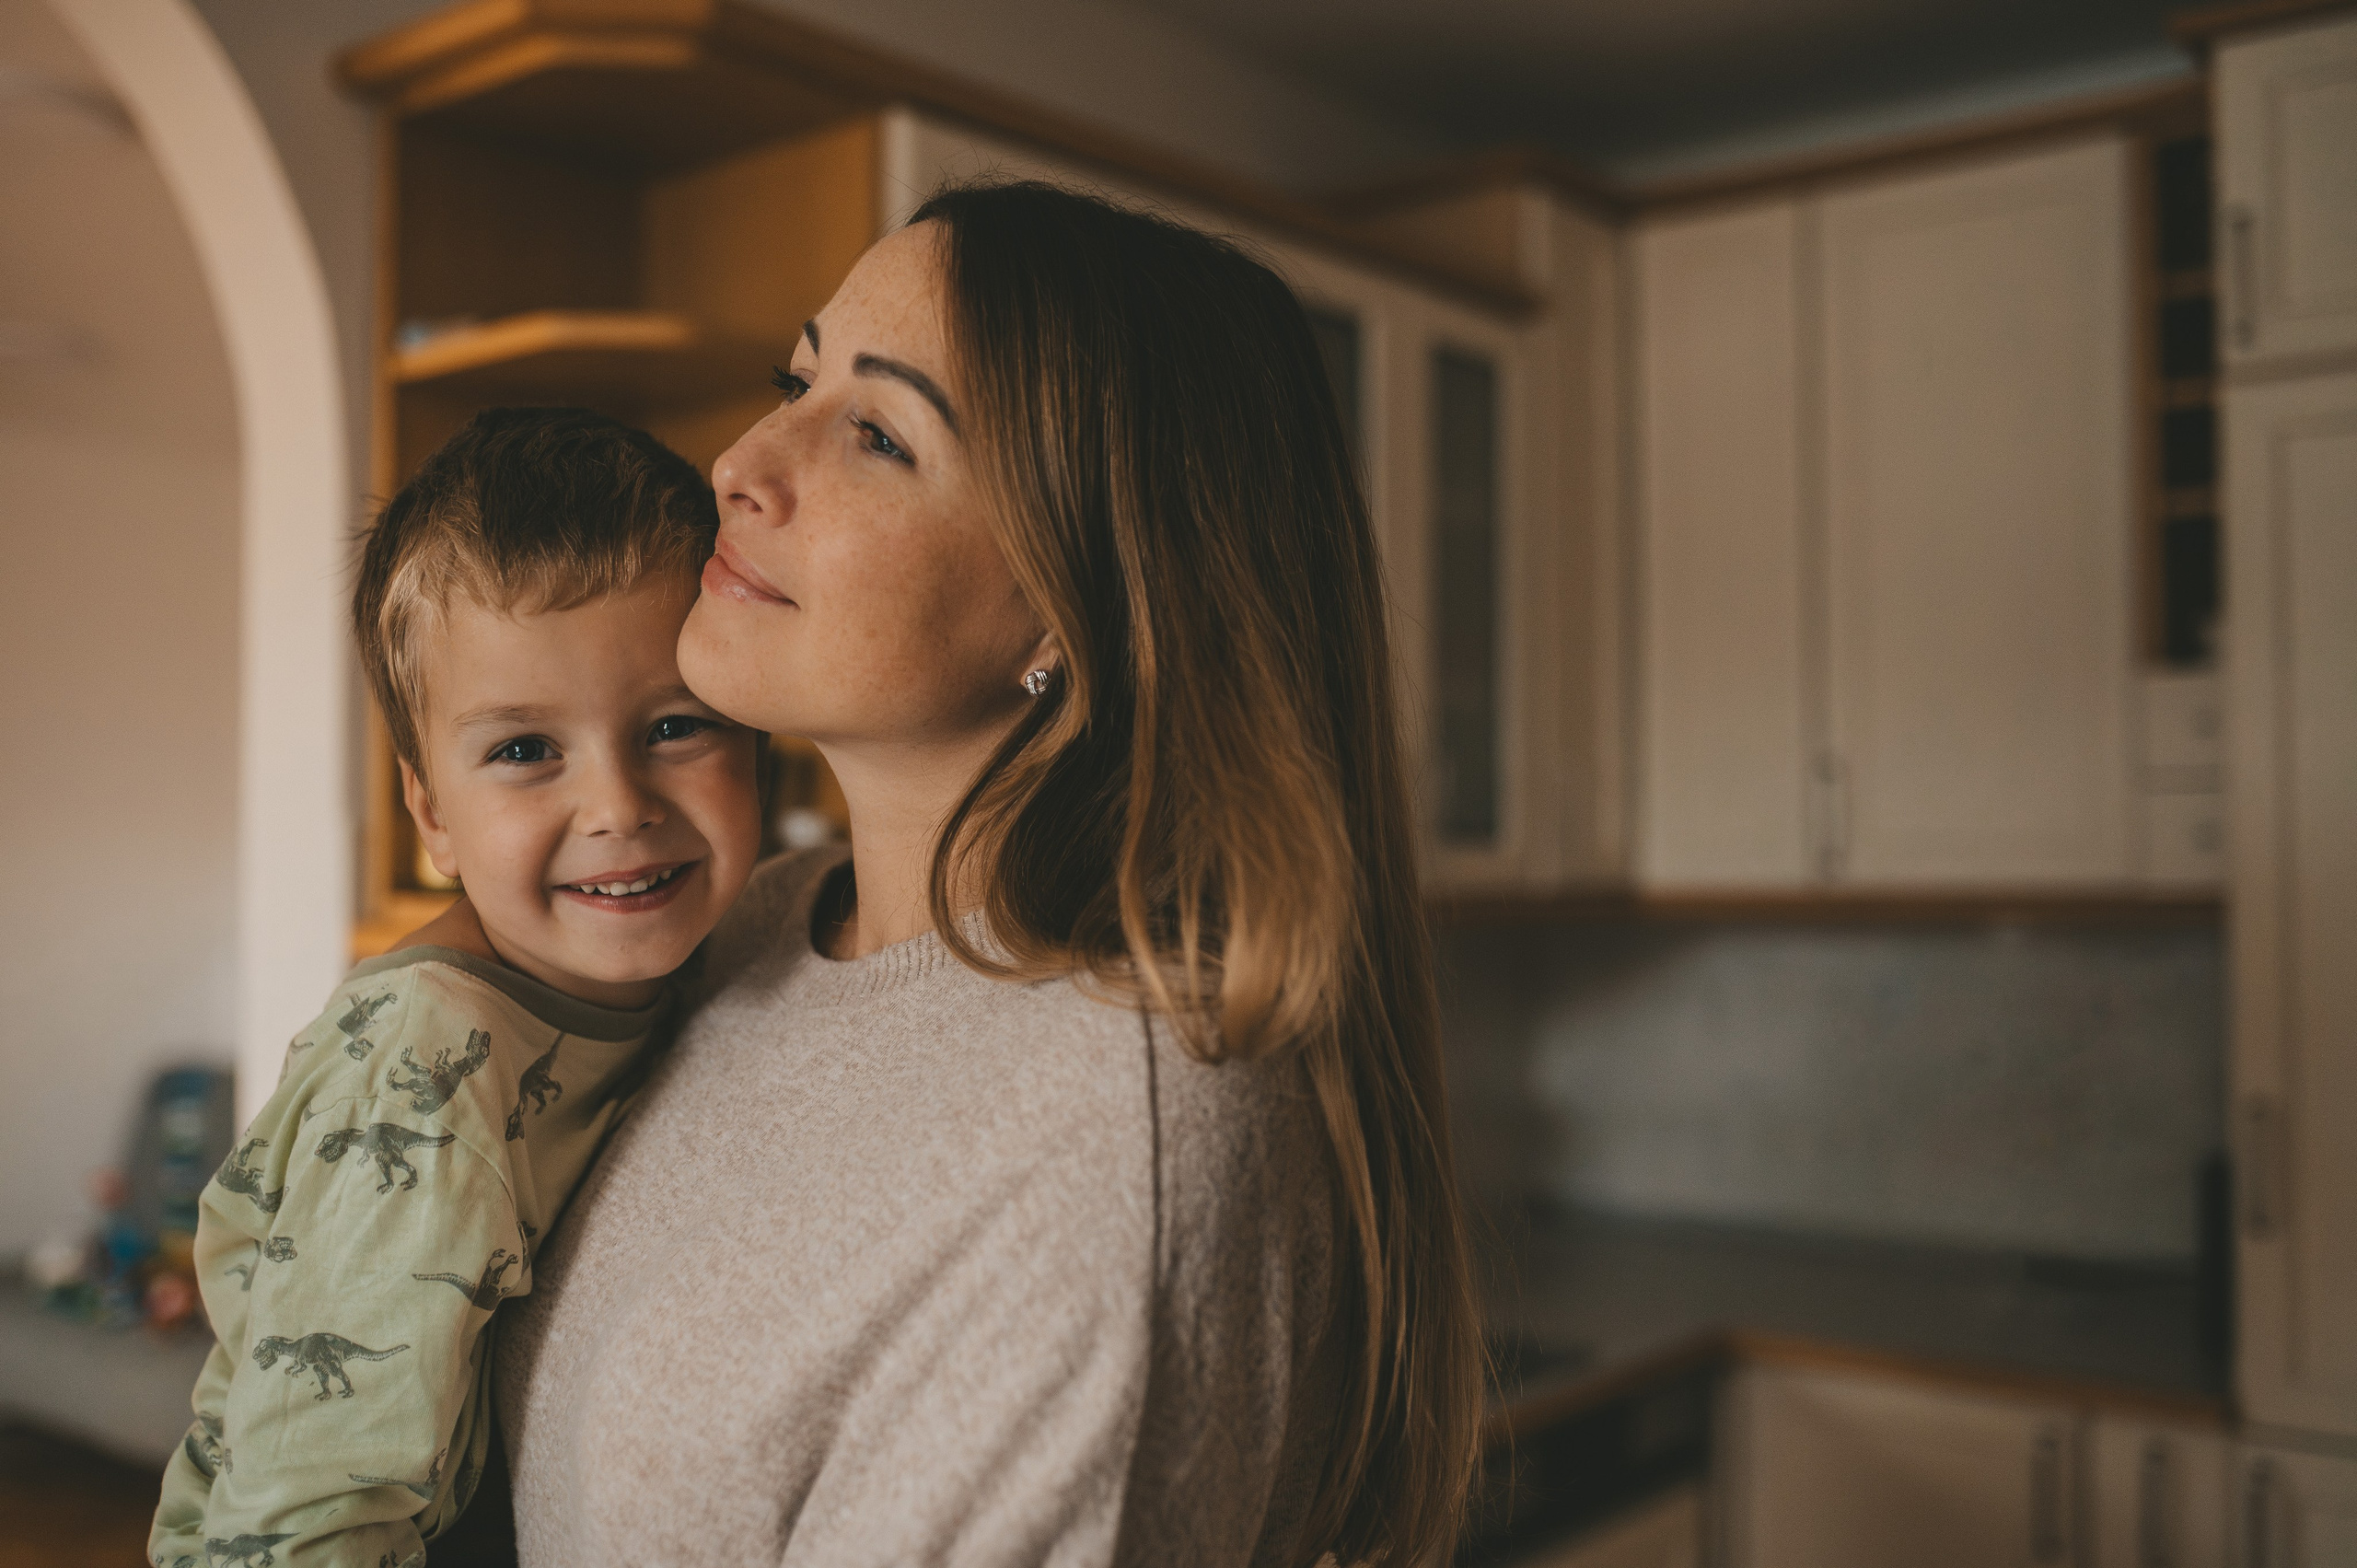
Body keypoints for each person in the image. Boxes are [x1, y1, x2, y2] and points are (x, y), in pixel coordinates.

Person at [497, 181, 1486, 1565]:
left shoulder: (1124, 1127)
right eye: (796, 381)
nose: (739, 462)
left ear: (1078, 602)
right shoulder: (757, 924)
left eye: (878, 434)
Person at [150, 408, 763, 1567]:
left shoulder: (718, 956)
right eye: (526, 749)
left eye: (678, 725)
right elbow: (306, 1515)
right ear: (431, 813)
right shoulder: (424, 1071)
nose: (618, 806)